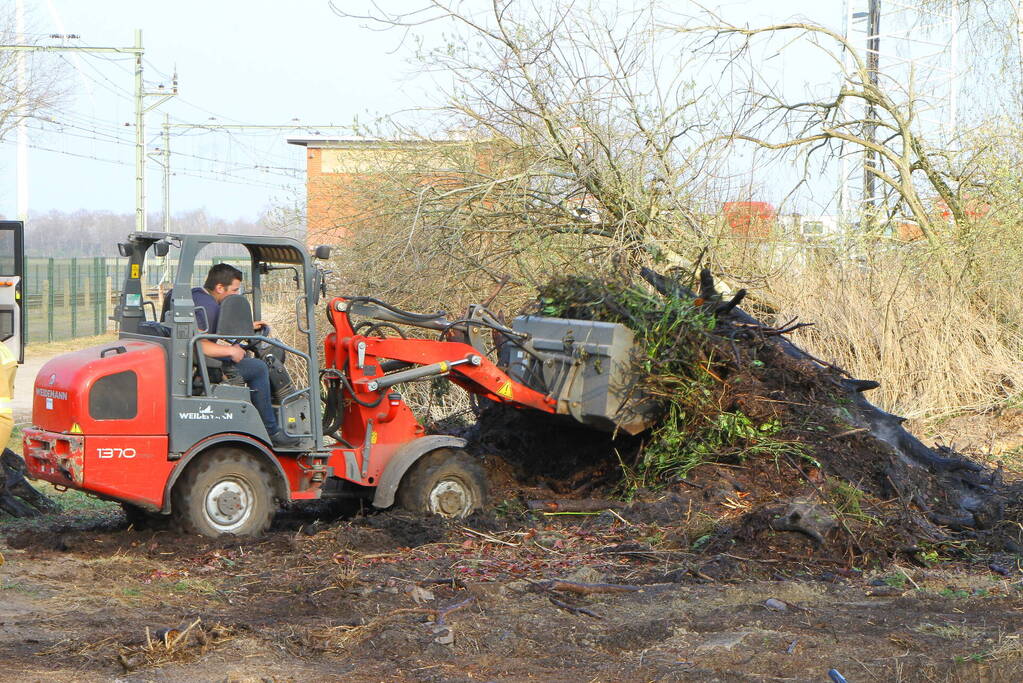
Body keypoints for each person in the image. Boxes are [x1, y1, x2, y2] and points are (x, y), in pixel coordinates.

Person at [193, 264, 299, 448]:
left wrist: (247, 327)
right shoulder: (208, 307)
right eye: (234, 290)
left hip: (188, 363)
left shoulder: (196, 296)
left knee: (250, 361)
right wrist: (231, 351)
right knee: (259, 368)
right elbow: (199, 345)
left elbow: (217, 331)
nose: (236, 294)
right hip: (198, 366)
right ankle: (271, 430)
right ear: (219, 288)